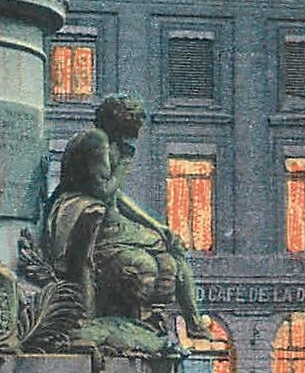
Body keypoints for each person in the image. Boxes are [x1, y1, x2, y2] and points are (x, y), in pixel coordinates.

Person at [43, 95, 208, 333]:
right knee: (160, 257)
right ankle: (192, 322)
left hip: (109, 219)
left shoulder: (109, 142)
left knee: (171, 248)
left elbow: (117, 196)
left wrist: (158, 227)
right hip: (86, 217)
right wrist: (123, 165)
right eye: (134, 118)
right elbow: (104, 192)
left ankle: (192, 321)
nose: (140, 125)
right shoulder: (95, 139)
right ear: (118, 118)